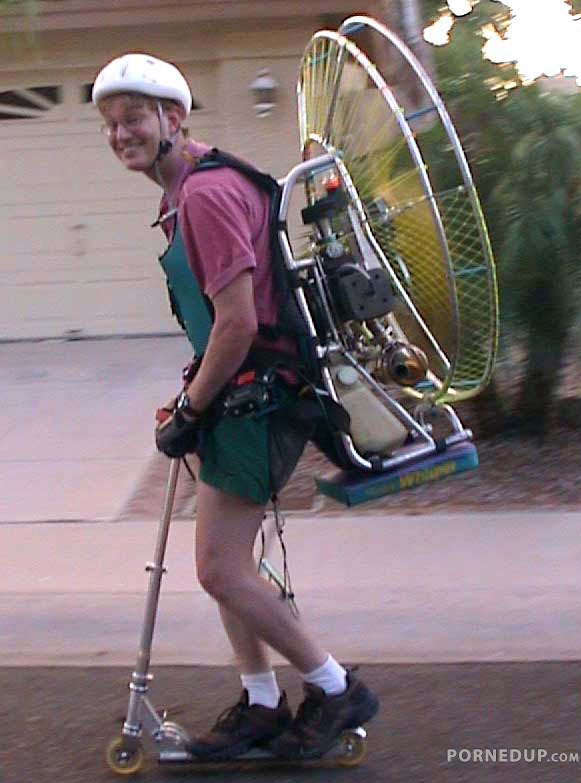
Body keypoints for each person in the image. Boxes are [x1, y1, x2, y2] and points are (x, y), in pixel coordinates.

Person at [92, 53, 378, 761]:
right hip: (240, 394)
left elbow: (239, 323)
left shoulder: (205, 194)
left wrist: (192, 408)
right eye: (111, 123)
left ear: (173, 118)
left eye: (133, 119)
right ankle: (261, 703)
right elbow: (220, 325)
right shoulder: (192, 187)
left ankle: (336, 687)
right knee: (228, 564)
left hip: (261, 399)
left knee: (220, 569)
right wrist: (191, 397)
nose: (120, 134)